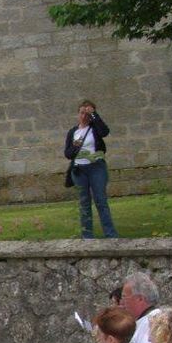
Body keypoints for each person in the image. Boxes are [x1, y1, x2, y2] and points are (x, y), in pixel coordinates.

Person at [65, 100, 117, 239]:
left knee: (100, 200)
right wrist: (76, 146)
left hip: (96, 168)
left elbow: (105, 132)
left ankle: (110, 234)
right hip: (79, 170)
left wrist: (94, 114)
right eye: (82, 113)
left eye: (87, 114)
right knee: (84, 202)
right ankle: (87, 236)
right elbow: (68, 154)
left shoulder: (95, 128)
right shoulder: (73, 132)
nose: (84, 116)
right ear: (78, 114)